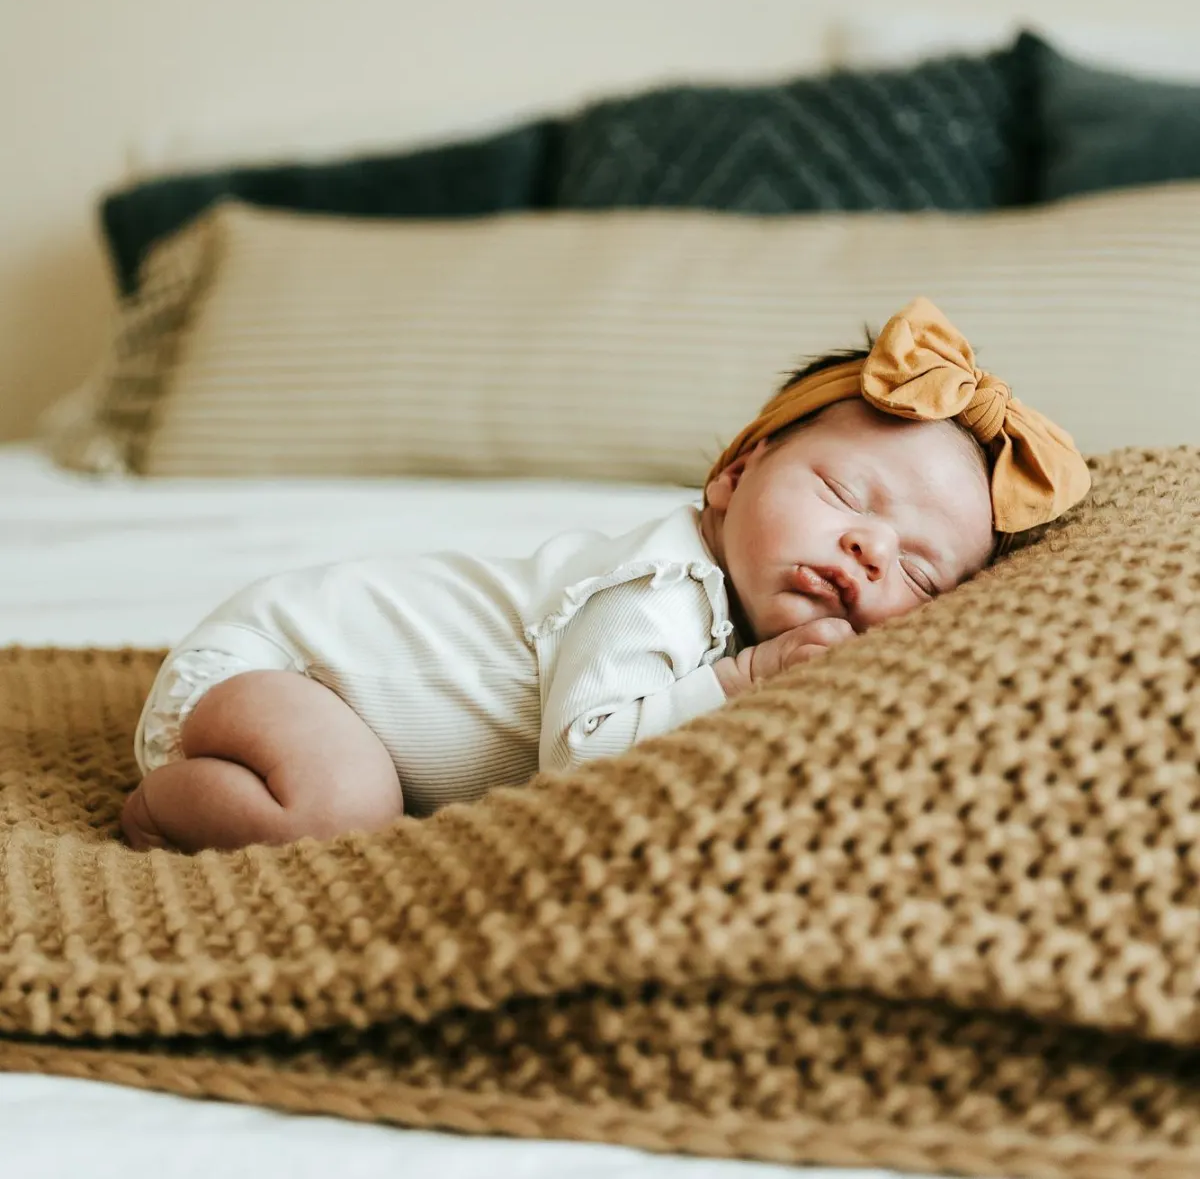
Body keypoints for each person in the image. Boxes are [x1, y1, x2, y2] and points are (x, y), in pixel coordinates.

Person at [120, 297, 1089, 854]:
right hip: (282, 664)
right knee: (344, 810)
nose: (871, 552)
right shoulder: (661, 583)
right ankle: (159, 805)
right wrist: (744, 682)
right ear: (736, 472)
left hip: (309, 690)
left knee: (356, 797)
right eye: (843, 491)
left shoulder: (748, 614)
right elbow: (581, 765)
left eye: (920, 571)